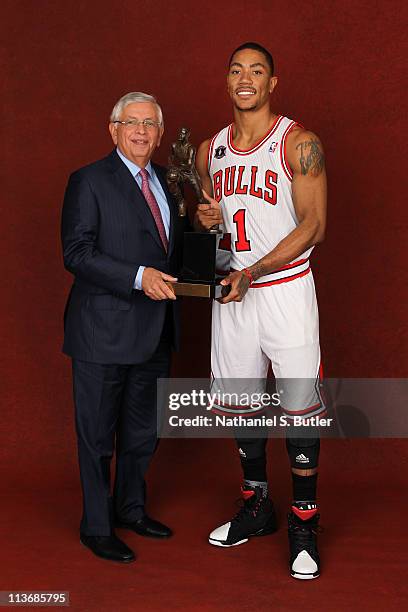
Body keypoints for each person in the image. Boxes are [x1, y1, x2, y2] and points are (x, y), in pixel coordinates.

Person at [195, 42, 327, 579]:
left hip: (284, 289)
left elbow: (313, 224)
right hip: (234, 293)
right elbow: (217, 228)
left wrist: (255, 271)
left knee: (300, 407)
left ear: (274, 82)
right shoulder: (209, 151)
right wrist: (208, 226)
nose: (244, 79)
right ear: (225, 80)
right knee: (239, 403)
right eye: (235, 70)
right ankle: (258, 505)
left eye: (256, 71)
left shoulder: (300, 143)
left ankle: (304, 524)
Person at [61, 91, 189, 563]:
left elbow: (169, 250)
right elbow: (76, 253)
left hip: (156, 330)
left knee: (141, 433)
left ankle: (131, 510)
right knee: (97, 437)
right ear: (113, 130)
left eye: (149, 124)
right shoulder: (89, 181)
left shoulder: (169, 184)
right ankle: (96, 527)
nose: (140, 131)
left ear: (159, 134)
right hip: (102, 332)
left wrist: (203, 228)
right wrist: (138, 278)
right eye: (130, 122)